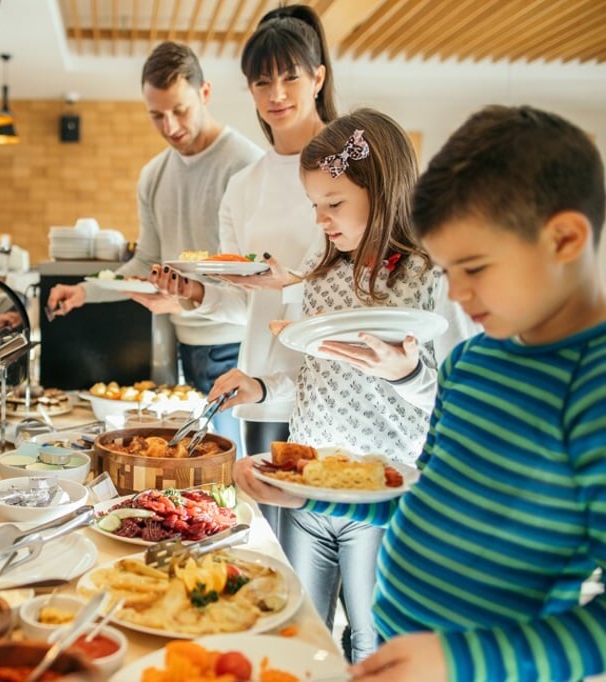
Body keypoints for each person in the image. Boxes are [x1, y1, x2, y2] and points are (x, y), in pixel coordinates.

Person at [234, 104, 606, 681]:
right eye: (449, 267)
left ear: (563, 239)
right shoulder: (473, 363)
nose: (453, 290)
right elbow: (415, 491)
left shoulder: (592, 390)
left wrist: (456, 660)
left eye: (473, 267)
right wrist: (308, 497)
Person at [208, 108, 476, 662]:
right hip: (309, 489)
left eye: (334, 205)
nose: (322, 220)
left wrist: (408, 374)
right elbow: (313, 378)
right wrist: (261, 388)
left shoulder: (432, 278)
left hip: (383, 492)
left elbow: (461, 398)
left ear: (383, 191)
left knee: (372, 645)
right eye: (315, 206)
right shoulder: (321, 270)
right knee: (303, 634)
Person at [148, 4, 336, 533]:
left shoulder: (348, 163)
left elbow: (364, 286)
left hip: (334, 389)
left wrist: (294, 284)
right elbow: (242, 304)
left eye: (289, 78)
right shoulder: (245, 184)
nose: (276, 95)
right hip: (262, 388)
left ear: (317, 77)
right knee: (272, 553)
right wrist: (193, 293)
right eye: (261, 82)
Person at [46, 41, 262, 448]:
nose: (170, 126)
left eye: (180, 110)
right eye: (156, 115)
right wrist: (85, 291)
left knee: (230, 467)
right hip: (187, 344)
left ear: (205, 93)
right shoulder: (153, 176)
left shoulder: (247, 165)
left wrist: (183, 300)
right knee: (197, 462)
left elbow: (255, 274)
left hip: (238, 347)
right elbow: (146, 260)